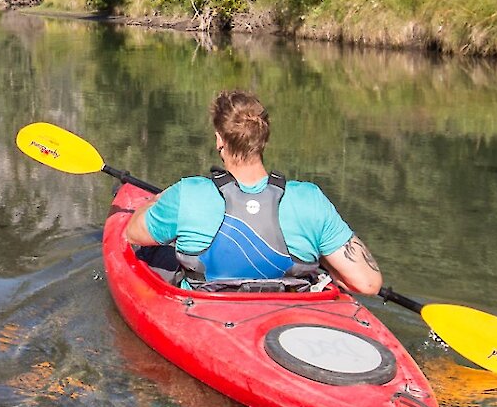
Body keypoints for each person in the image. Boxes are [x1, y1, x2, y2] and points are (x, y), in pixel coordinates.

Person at [123, 88, 382, 294]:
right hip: (287, 311)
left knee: (153, 253)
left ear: (219, 139)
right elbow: (368, 284)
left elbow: (133, 234)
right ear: (263, 140)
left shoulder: (187, 194)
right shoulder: (310, 200)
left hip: (206, 311)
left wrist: (156, 201)